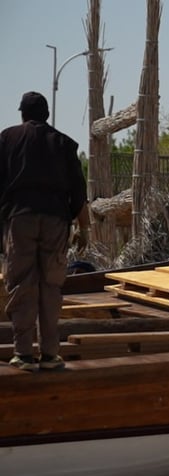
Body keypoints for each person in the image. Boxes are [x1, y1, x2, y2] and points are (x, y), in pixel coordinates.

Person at [0, 91, 88, 371]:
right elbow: (79, 190)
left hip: (20, 219)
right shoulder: (63, 143)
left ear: (23, 114)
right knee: (50, 287)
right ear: (47, 115)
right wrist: (85, 228)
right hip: (55, 221)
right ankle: (50, 354)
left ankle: (24, 355)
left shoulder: (7, 139)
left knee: (22, 284)